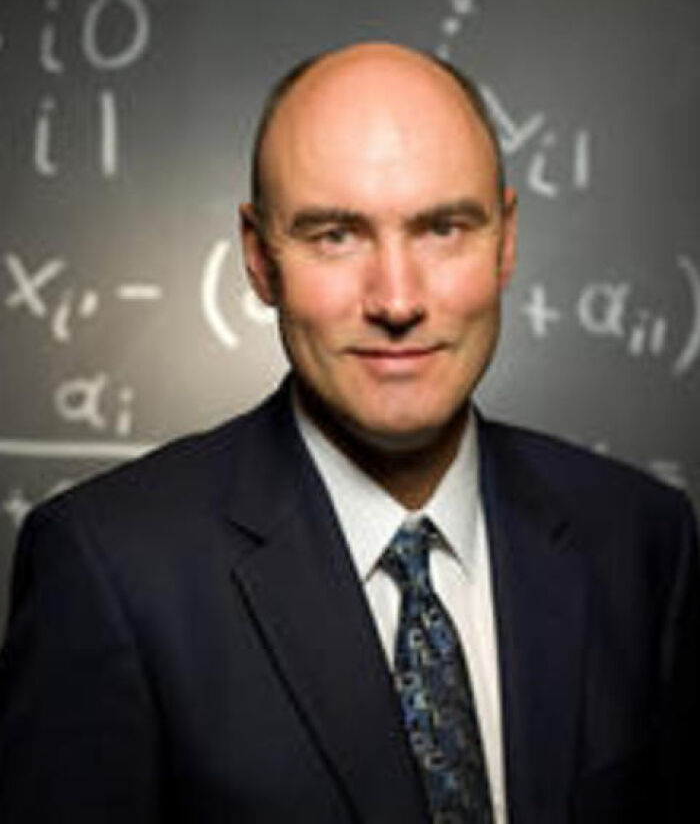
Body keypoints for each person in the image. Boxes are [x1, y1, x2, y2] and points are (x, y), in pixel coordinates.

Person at [0, 42, 698, 824]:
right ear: (260, 257)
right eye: (336, 234)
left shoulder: (643, 540)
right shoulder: (109, 571)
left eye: (443, 228)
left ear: (504, 240)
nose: (396, 299)